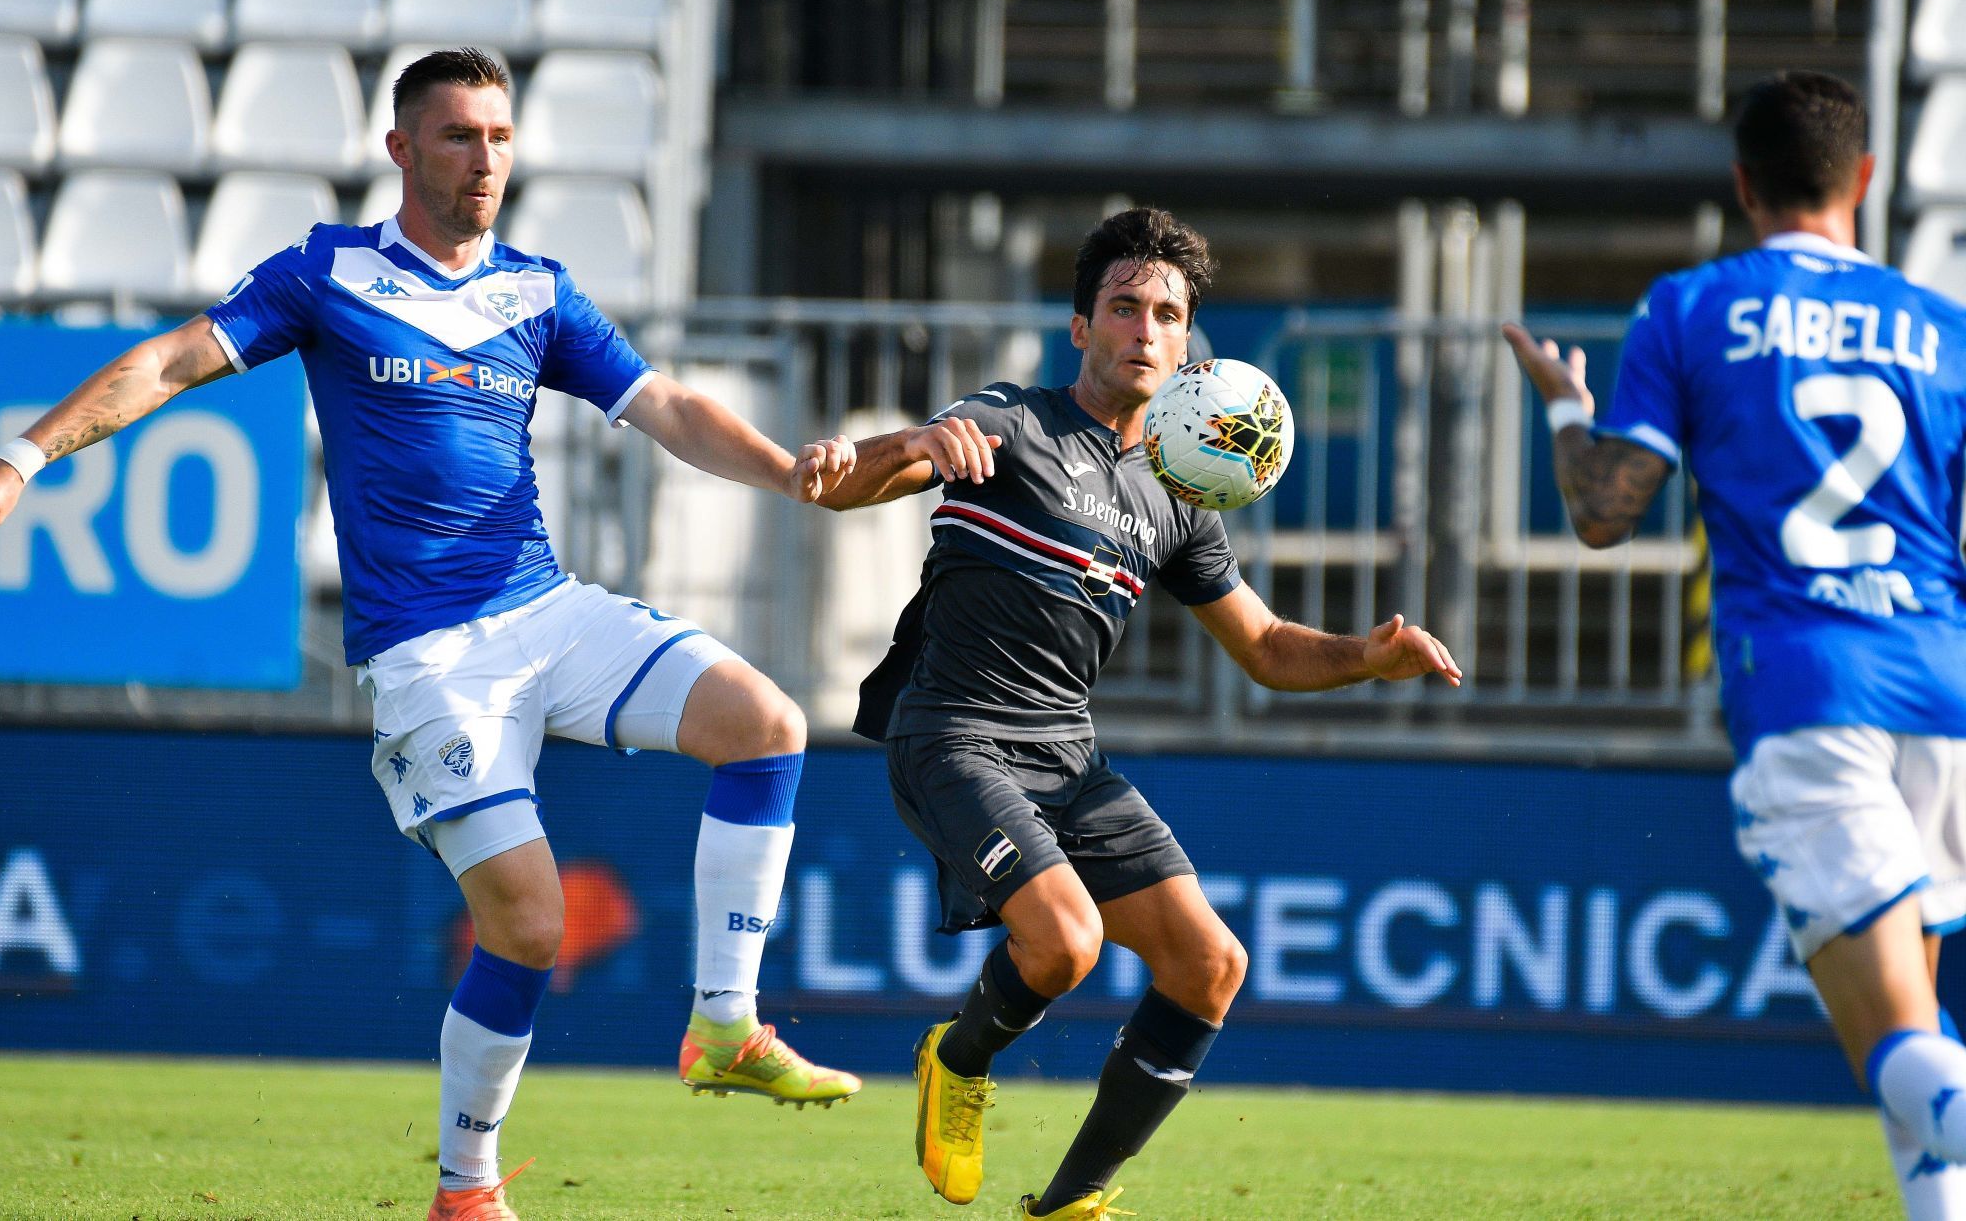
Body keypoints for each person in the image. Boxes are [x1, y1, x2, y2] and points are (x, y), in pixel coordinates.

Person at [0, 48, 862, 1221]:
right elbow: (174, 360)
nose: (484, 158)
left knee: (767, 724)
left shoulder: (536, 290)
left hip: (547, 608)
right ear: (401, 149)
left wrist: (788, 472)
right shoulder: (326, 273)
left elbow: (668, 408)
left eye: (498, 136)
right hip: (430, 657)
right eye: (457, 136)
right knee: (530, 924)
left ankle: (725, 1024)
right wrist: (25, 457)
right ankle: (466, 1189)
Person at [818, 206, 1461, 1219]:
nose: (1146, 330)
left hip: (1065, 756)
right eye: (1124, 307)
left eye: (1167, 313)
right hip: (953, 733)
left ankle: (1070, 1200)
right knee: (1064, 945)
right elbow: (853, 485)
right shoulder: (1009, 422)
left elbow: (1262, 648)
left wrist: (1365, 659)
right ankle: (957, 1053)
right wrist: (910, 439)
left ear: (1188, 342)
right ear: (1079, 327)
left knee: (1209, 963)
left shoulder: (1177, 493)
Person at [1505, 71, 1966, 1220]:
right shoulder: (1943, 331)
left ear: (1739, 184)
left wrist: (1566, 407)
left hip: (1808, 686)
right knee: (1907, 1045)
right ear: (1862, 179)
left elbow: (1605, 512)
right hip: (1942, 691)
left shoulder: (1693, 307)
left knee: (1901, 1043)